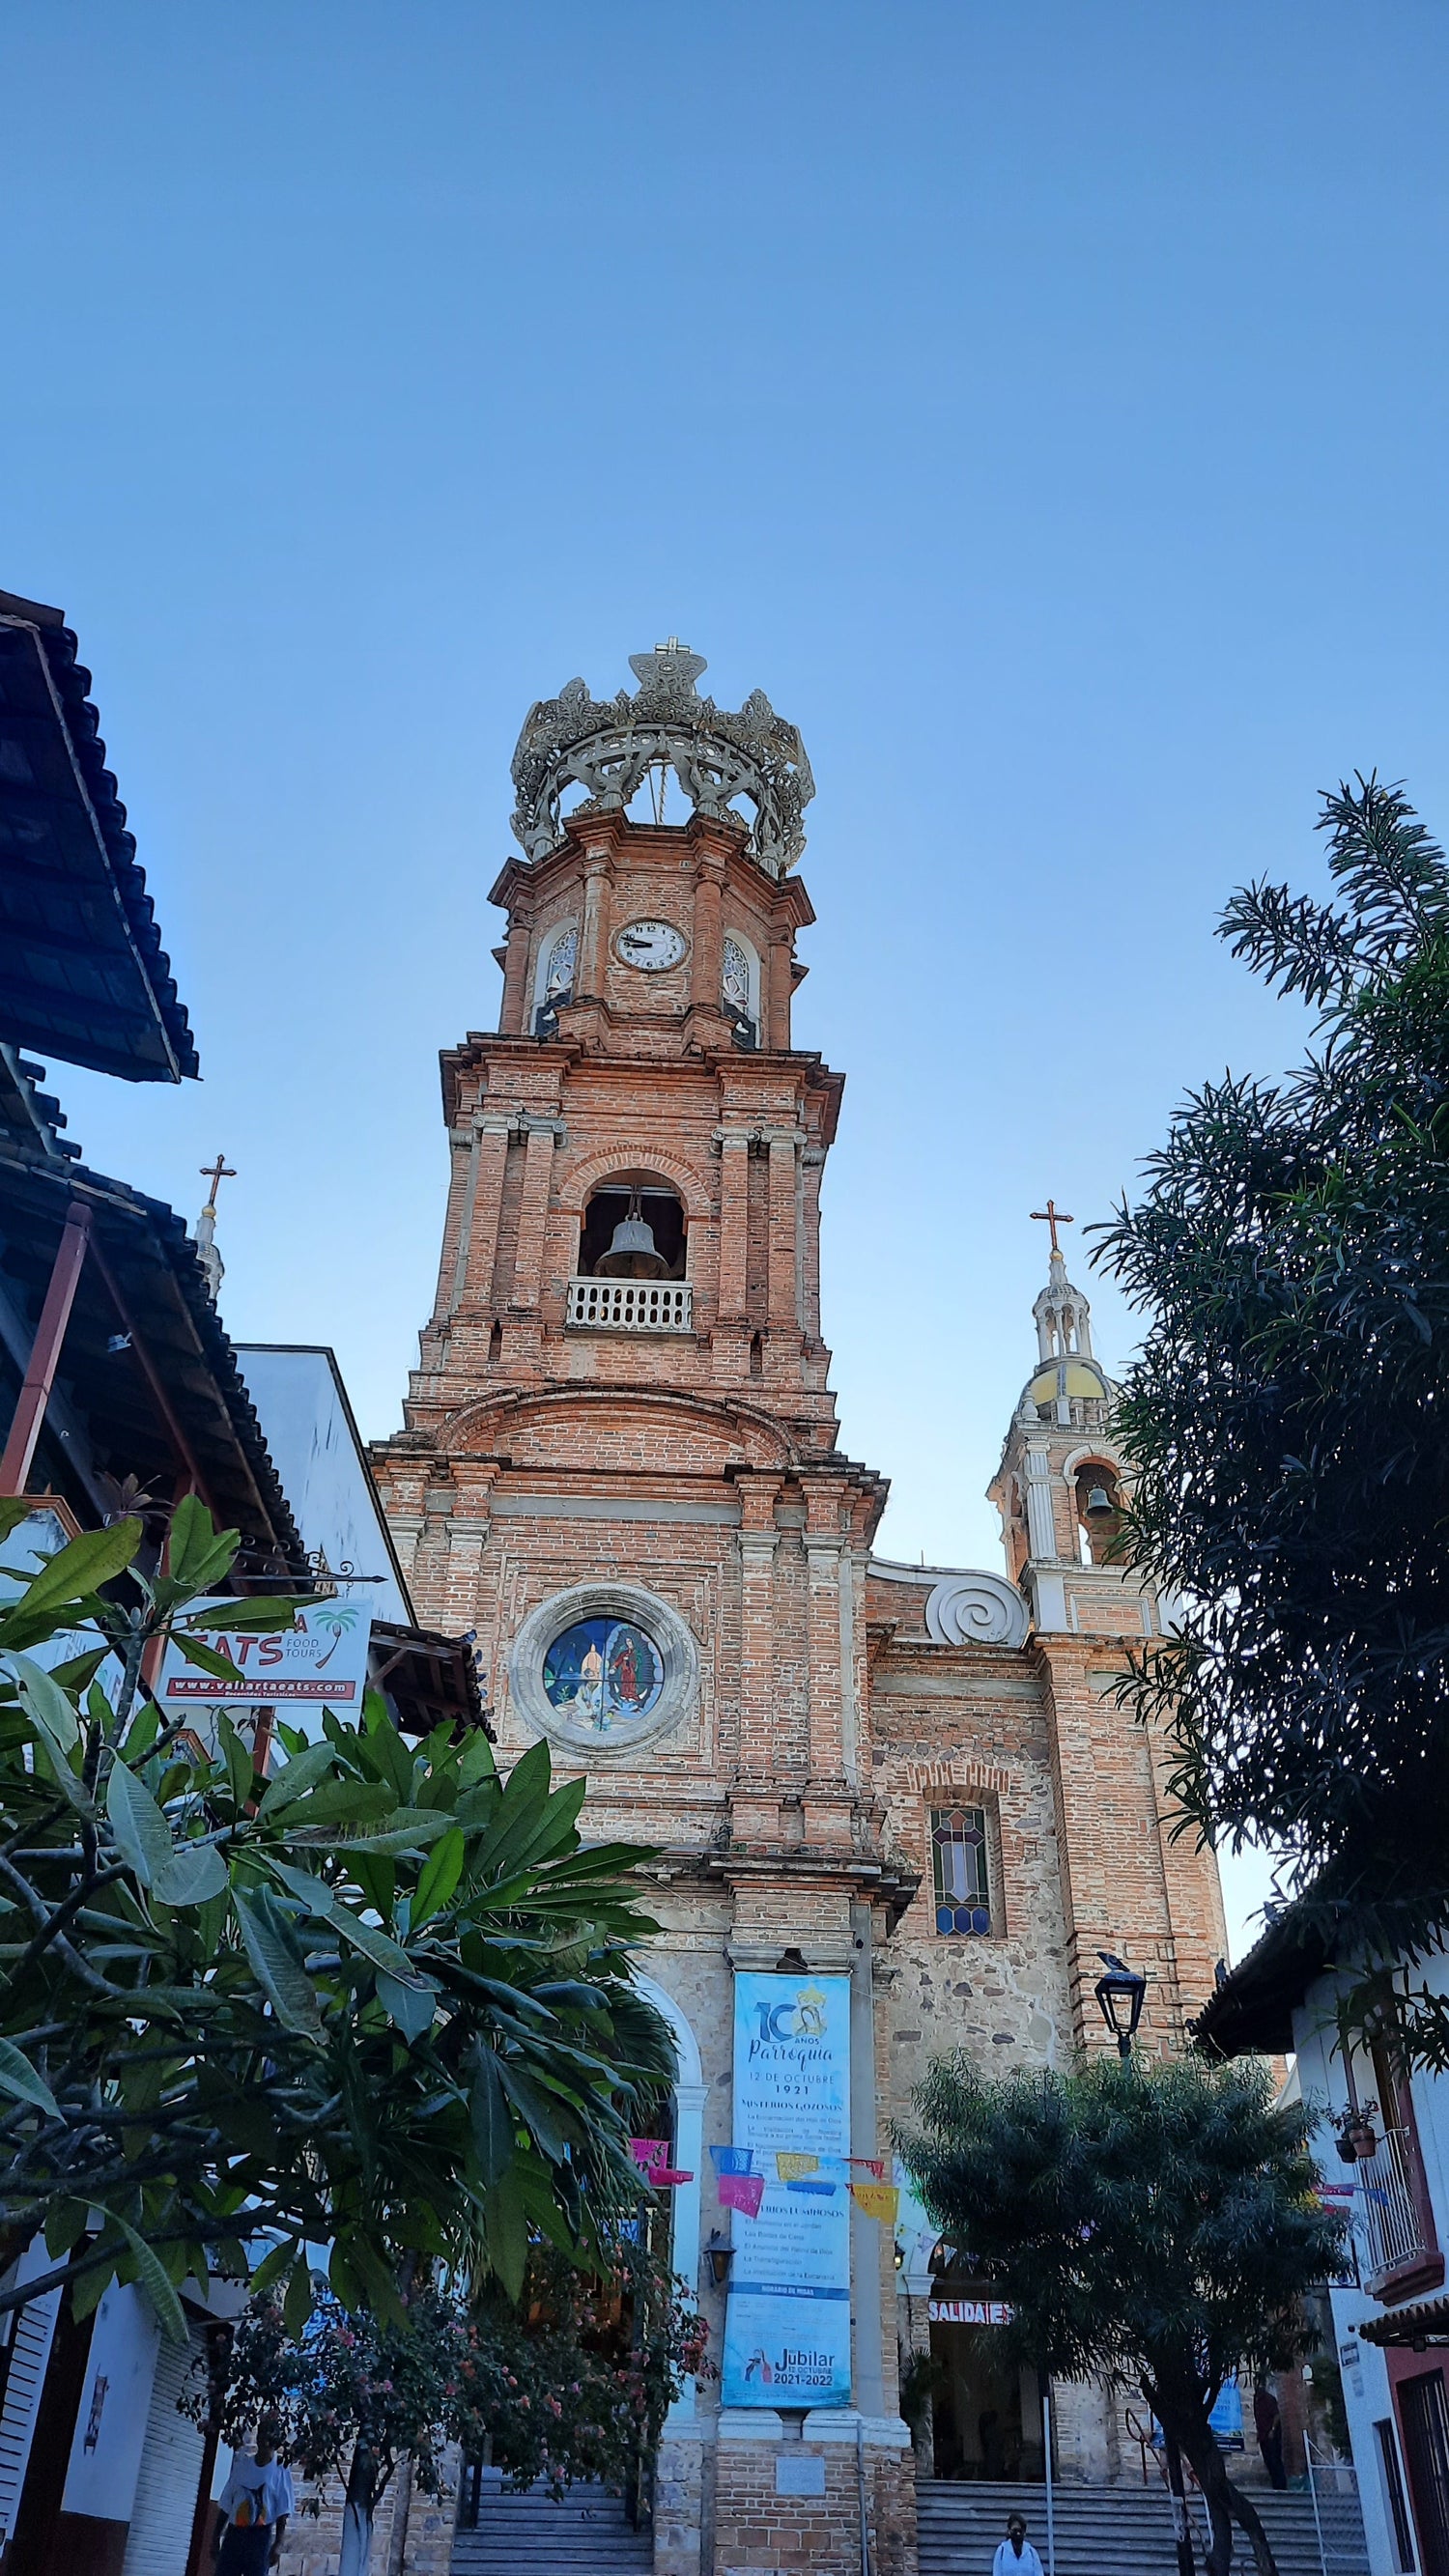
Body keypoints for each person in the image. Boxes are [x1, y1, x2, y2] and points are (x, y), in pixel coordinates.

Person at [213, 2416, 295, 2571]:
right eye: (262, 2435)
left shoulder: (280, 2470)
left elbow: (283, 2512)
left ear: (276, 2442)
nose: (265, 2442)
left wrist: (278, 2543)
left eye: (270, 2438)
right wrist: (215, 2537)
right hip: (234, 2533)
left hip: (260, 2537)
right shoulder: (242, 2465)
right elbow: (226, 2504)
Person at [1253, 2375, 1287, 2489]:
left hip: (1271, 2435)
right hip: (1263, 2435)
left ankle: (1281, 2485)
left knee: (1275, 2460)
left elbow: (1276, 2415)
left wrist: (1272, 2429)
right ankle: (1275, 2484)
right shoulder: (1256, 2400)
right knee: (1268, 2460)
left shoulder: (1269, 2399)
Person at [992, 2509, 1045, 2576]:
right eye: (1014, 2530)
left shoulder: (1031, 2552)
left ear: (1024, 2532)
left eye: (1020, 2530)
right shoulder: (1001, 2551)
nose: (1017, 2533)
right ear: (1009, 2531)